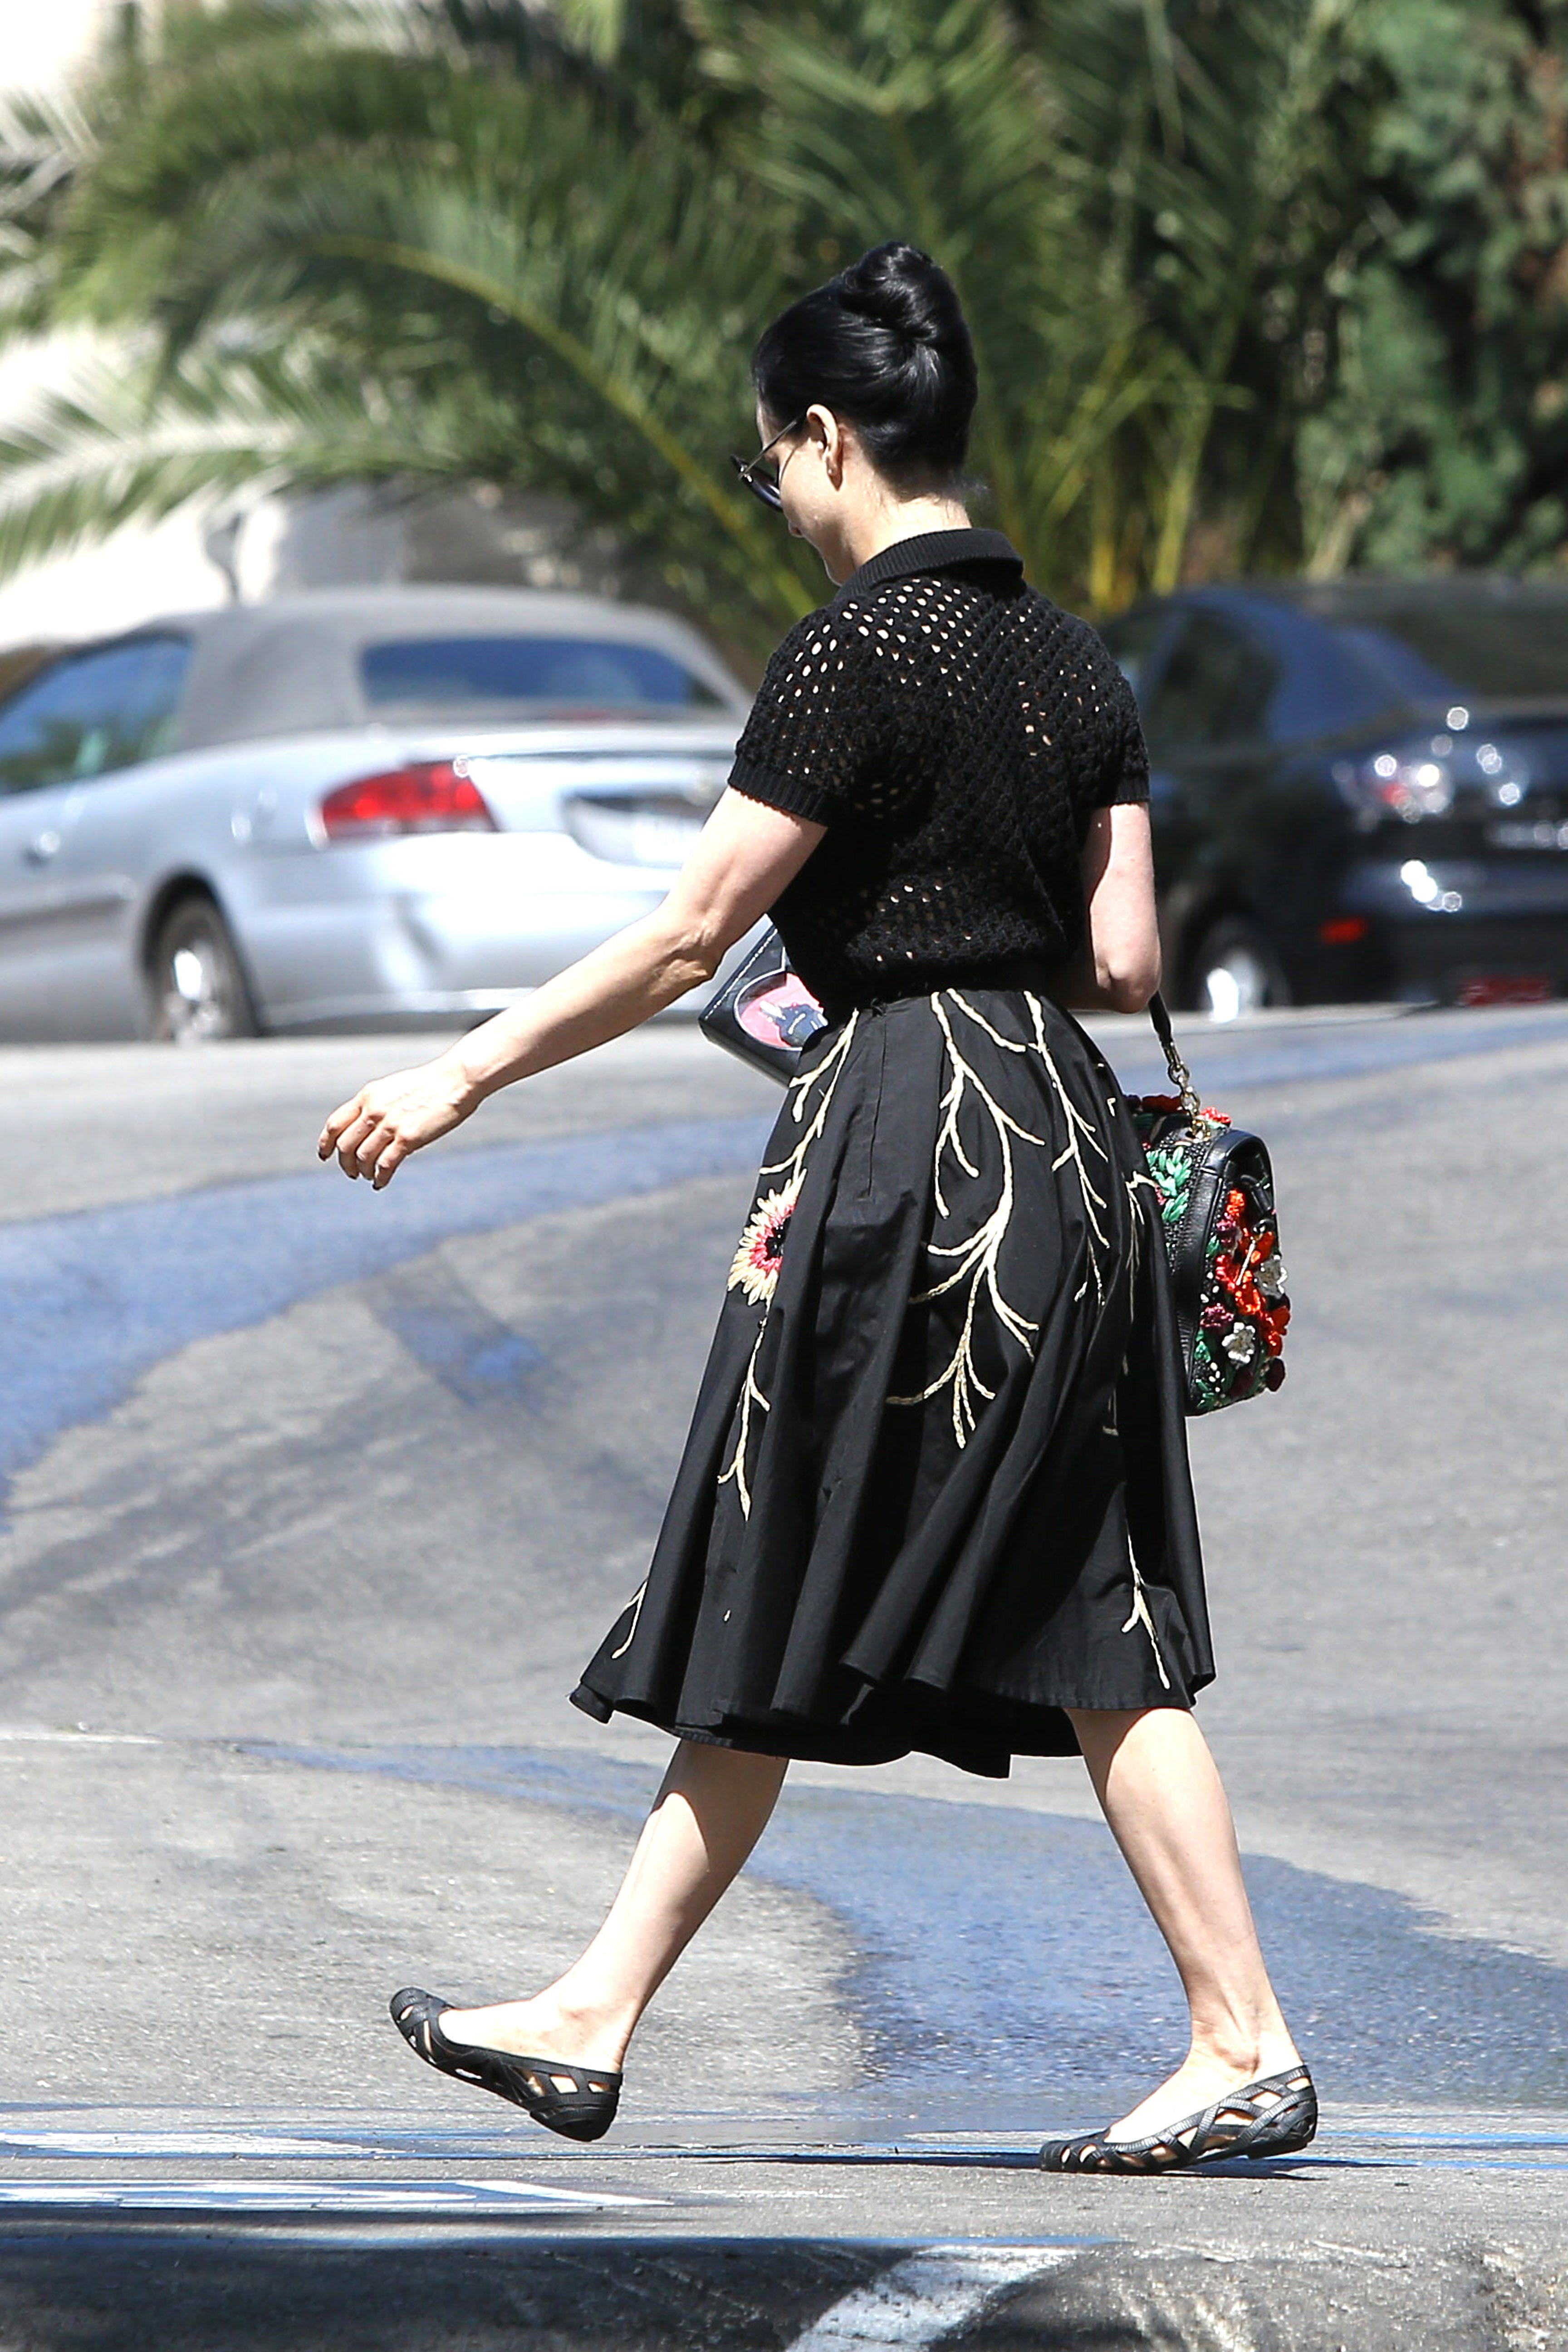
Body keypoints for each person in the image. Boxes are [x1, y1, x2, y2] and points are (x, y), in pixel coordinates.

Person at [319, 242, 1314, 2175]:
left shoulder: (860, 648)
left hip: (911, 1148)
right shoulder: (1077, 660)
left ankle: (623, 2012)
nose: (774, 495)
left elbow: (696, 926)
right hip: (1075, 1148)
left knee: (781, 1552)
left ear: (829, 437)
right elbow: (1122, 956)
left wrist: (460, 1071)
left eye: (770, 462)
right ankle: (1224, 2036)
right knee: (1100, 1613)